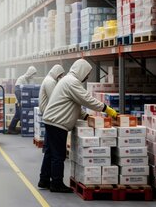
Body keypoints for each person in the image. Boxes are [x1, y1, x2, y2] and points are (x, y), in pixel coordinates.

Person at [41, 59, 118, 193]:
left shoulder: (67, 81)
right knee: (58, 155)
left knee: (50, 153)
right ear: (81, 70)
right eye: (87, 74)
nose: (87, 77)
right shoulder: (72, 82)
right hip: (57, 123)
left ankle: (44, 180)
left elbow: (75, 104)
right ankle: (56, 183)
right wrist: (106, 108)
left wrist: (87, 117)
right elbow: (86, 99)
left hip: (52, 121)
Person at [37, 64, 65, 189]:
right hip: (52, 118)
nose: (60, 78)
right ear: (56, 73)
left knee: (48, 151)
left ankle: (44, 179)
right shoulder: (50, 82)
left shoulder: (49, 80)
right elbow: (57, 98)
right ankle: (56, 182)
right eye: (60, 76)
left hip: (49, 118)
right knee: (56, 153)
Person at [8, 66, 37, 134]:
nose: (33, 76)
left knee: (20, 115)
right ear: (30, 73)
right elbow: (17, 90)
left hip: (26, 102)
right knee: (18, 115)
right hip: (19, 102)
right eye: (33, 74)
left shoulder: (29, 80)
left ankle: (19, 128)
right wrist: (20, 100)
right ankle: (11, 129)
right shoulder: (21, 79)